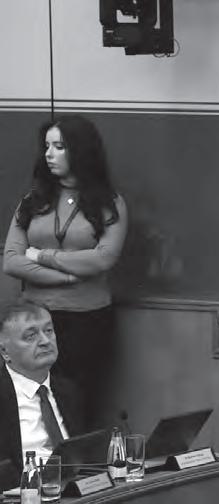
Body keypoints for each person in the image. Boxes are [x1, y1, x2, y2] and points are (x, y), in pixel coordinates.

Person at [3, 114, 127, 421]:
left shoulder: (109, 203)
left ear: (80, 151)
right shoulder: (33, 201)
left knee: (81, 406)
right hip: (35, 318)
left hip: (88, 320)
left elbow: (102, 259)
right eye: (47, 146)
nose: (49, 154)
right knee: (33, 404)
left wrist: (42, 256)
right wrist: (70, 276)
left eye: (59, 147)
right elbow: (12, 260)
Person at [0, 300, 85, 484]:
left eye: (48, 331)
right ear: (4, 351)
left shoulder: (69, 391)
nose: (45, 341)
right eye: (31, 336)